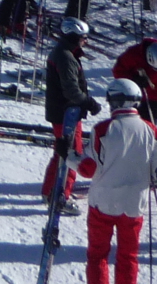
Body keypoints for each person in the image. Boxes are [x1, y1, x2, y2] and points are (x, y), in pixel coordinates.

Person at [78, 77, 157, 284]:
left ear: (114, 101)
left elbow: (87, 168)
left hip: (103, 202)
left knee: (97, 255)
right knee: (128, 257)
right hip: (134, 204)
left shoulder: (102, 129)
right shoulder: (151, 130)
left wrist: (69, 156)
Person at [43, 16, 101, 213]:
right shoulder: (66, 57)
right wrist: (89, 102)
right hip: (65, 114)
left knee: (62, 152)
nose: (86, 41)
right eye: (83, 37)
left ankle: (50, 190)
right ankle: (60, 196)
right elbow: (71, 91)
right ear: (74, 37)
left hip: (65, 112)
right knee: (71, 155)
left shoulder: (65, 52)